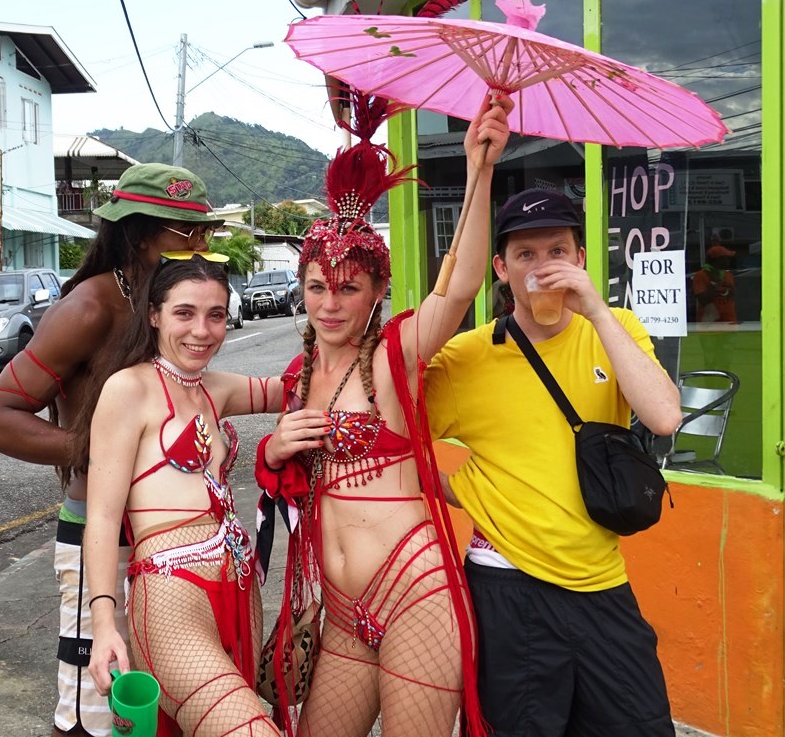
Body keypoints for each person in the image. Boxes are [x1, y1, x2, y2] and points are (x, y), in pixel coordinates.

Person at [254, 92, 511, 737]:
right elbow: (213, 386)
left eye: (348, 288)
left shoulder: (394, 356)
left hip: (413, 597)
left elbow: (459, 286)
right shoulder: (302, 373)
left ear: (376, 292)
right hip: (341, 612)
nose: (330, 304)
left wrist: (481, 169)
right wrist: (276, 446)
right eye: (317, 287)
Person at [0, 162, 223, 737]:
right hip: (99, 535)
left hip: (170, 534)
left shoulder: (168, 302)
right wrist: (96, 455)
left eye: (204, 232)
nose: (201, 246)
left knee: (163, 694)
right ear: (138, 233)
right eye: (186, 234)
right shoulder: (90, 306)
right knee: (95, 703)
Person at [424, 189, 683, 737]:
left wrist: (596, 310)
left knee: (643, 726)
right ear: (501, 267)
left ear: (581, 258)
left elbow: (663, 416)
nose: (544, 268)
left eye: (558, 251)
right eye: (526, 255)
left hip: (601, 581)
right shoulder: (466, 357)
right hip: (507, 588)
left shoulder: (615, 330)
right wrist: (461, 488)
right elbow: (398, 441)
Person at [84, 253, 284, 737]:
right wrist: (105, 624)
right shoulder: (127, 389)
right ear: (154, 314)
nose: (202, 330)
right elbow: (104, 519)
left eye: (216, 314)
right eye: (184, 313)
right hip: (172, 599)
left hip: (239, 597)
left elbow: (302, 387)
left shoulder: (216, 388)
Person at [692, 244, 737, 323]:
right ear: (718, 260)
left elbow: (731, 296)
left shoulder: (728, 275)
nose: (729, 261)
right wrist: (714, 282)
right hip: (710, 325)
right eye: (726, 258)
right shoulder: (700, 275)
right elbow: (703, 299)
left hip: (730, 323)